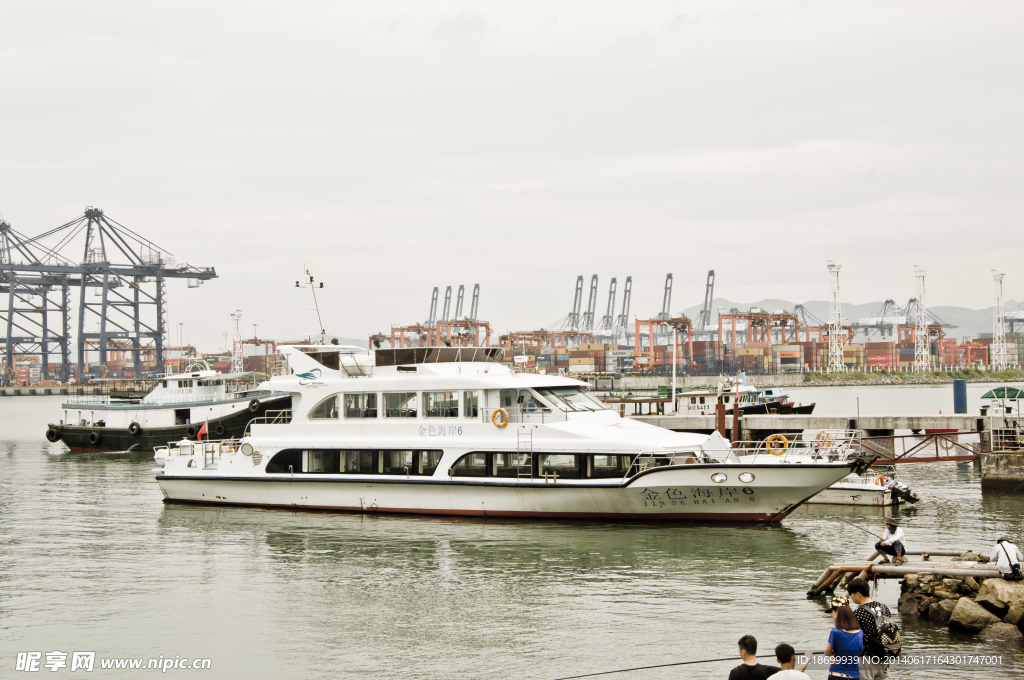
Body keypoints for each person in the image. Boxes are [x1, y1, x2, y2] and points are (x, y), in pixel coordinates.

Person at [847, 578, 890, 680]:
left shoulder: (859, 613)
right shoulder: (884, 607)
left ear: (858, 594)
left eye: (850, 594)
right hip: (884, 656)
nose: (850, 597)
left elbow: (853, 637)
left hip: (867, 658)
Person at [824, 596, 863, 679]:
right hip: (855, 676)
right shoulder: (860, 632)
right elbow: (859, 652)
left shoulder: (835, 632)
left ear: (837, 611)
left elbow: (827, 653)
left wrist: (833, 653)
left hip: (837, 675)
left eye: (832, 612)